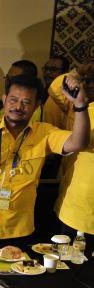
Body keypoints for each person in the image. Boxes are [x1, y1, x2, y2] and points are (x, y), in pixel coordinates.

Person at [0, 74, 90, 240]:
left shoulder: (45, 133)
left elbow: (79, 143)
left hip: (19, 230)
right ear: (4, 100)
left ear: (36, 106)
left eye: (26, 102)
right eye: (13, 100)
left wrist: (80, 105)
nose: (18, 106)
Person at [53, 63, 94, 241]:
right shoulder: (81, 108)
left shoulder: (82, 108)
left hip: (85, 208)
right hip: (74, 205)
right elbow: (56, 90)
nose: (88, 85)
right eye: (86, 81)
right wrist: (77, 72)